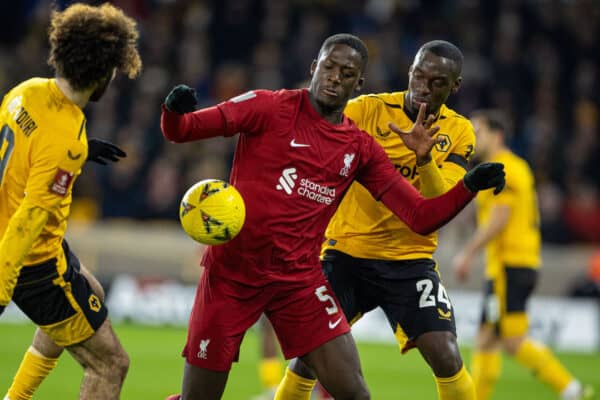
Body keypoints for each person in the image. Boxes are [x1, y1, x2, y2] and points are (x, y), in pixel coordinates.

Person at [160, 33, 504, 400]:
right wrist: (173, 112)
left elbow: (420, 216)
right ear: (314, 67)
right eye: (329, 67)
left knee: (361, 392)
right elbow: (182, 130)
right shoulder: (268, 106)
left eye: (347, 72)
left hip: (301, 281)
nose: (335, 77)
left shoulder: (360, 146)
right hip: (238, 273)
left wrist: (467, 186)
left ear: (358, 82)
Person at [276, 40, 478, 400]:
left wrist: (424, 158)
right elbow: (315, 132)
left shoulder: (459, 131)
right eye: (419, 76)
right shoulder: (367, 110)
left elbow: (436, 203)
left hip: (409, 261)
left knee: (446, 354)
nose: (423, 88)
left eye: (437, 82)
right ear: (410, 71)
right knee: (308, 357)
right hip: (346, 253)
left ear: (454, 86)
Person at [0, 3, 142, 400]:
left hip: (16, 235)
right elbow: (30, 218)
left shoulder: (25, 90)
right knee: (111, 364)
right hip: (30, 260)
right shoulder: (64, 138)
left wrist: (80, 149)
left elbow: (25, 152)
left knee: (87, 290)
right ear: (102, 74)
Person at [452, 110, 593, 400]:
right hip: (507, 265)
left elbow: (500, 217)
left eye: (479, 132)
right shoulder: (509, 167)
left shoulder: (507, 168)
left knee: (513, 342)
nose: (474, 138)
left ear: (497, 134)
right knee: (487, 339)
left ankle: (571, 389)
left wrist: (467, 253)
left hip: (511, 264)